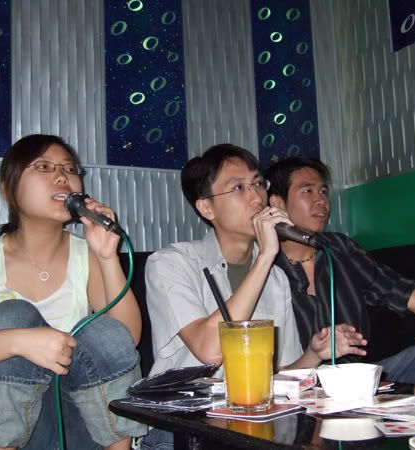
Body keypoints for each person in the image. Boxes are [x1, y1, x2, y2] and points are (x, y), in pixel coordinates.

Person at [142, 144, 366, 450]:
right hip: (182, 429)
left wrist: (315, 353)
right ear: (207, 208)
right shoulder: (170, 263)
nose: (257, 197)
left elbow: (278, 377)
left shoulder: (275, 279)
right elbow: (210, 350)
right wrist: (265, 256)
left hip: (248, 426)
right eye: (238, 188)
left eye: (259, 184)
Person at [0, 134, 146, 450]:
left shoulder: (87, 256)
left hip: (75, 422)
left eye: (69, 168)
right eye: (44, 167)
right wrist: (19, 342)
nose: (62, 176)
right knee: (13, 315)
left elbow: (124, 339)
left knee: (102, 330)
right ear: (8, 190)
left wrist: (106, 257)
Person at [265, 156, 415, 390]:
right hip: (300, 391)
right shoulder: (264, 266)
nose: (321, 201)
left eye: (323, 191)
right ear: (278, 203)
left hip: (364, 382)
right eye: (307, 191)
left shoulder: (339, 249)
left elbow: (412, 299)